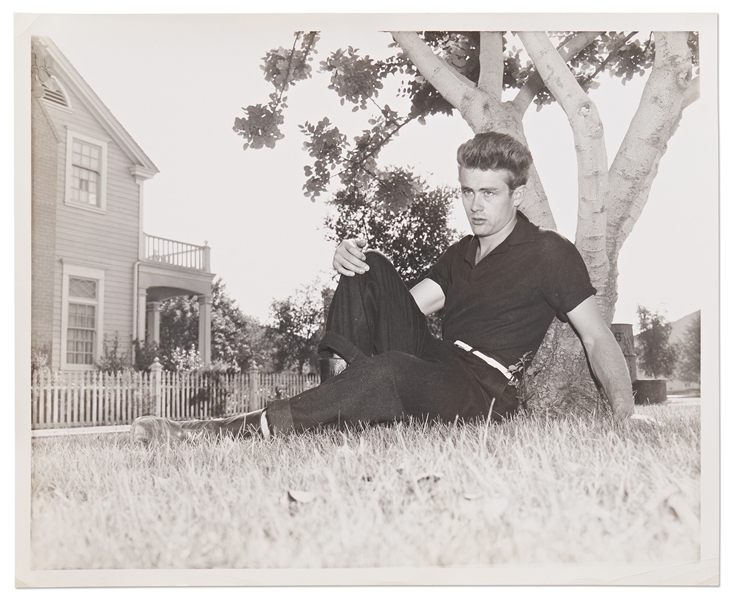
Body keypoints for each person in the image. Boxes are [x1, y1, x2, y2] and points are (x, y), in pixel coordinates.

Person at [131, 132, 636, 445]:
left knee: (391, 370)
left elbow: (596, 337)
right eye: (466, 191)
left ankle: (229, 431)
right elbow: (408, 308)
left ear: (516, 194)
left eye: (488, 193)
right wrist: (349, 266)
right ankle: (355, 392)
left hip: (481, 391)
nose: (475, 205)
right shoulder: (463, 252)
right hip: (439, 361)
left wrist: (623, 419)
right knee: (368, 265)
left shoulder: (550, 252)